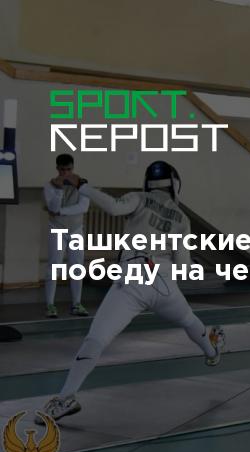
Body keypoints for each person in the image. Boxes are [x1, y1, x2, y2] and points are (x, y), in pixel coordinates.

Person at [36, 161, 225, 423]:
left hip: (133, 277)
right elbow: (183, 267)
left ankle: (66, 398)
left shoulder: (139, 198)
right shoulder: (182, 218)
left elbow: (114, 207)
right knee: (188, 319)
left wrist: (82, 185)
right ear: (175, 184)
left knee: (96, 339)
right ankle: (212, 351)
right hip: (164, 282)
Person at [43, 154, 90, 318]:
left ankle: (76, 304)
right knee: (54, 266)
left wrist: (60, 212)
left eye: (68, 169)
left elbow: (83, 207)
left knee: (77, 267)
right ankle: (50, 305)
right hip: (56, 228)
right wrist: (59, 189)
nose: (65, 173)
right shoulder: (50, 186)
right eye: (62, 170)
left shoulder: (82, 184)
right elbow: (53, 206)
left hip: (75, 229)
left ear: (73, 168)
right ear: (57, 168)